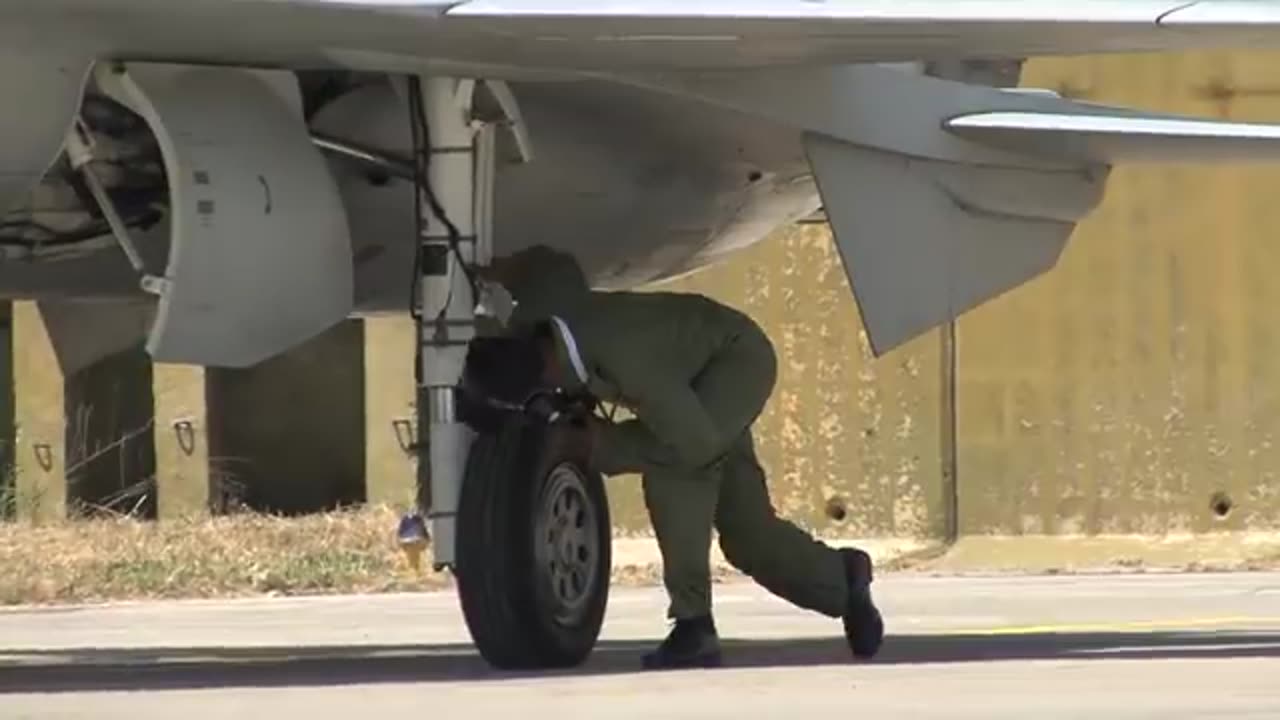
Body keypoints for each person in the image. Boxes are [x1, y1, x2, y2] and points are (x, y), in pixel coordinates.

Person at [466, 244, 884, 669]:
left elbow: (694, 444)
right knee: (747, 536)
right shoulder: (551, 322)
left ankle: (694, 625)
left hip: (734, 363)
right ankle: (842, 578)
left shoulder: (630, 363)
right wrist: (496, 273)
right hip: (694, 372)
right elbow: (554, 269)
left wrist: (600, 446)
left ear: (546, 364)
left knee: (678, 469)